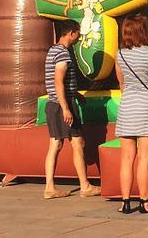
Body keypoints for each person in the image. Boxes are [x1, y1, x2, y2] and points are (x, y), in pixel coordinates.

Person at [44, 20, 101, 199]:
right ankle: (85, 186)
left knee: (56, 144)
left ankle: (49, 187)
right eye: (78, 33)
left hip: (53, 104)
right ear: (71, 33)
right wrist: (66, 108)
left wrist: (75, 93)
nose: (79, 37)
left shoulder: (52, 50)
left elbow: (59, 82)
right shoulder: (63, 53)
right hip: (62, 104)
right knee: (78, 143)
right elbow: (58, 81)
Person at [115, 13, 148, 213]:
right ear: (143, 31)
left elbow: (122, 84)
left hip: (127, 107)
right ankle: (145, 202)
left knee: (126, 158)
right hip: (146, 107)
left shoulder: (120, 55)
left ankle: (125, 202)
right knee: (144, 157)